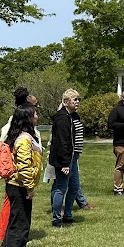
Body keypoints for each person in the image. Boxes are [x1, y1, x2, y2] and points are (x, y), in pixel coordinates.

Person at [0, 104, 42, 247]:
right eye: (35, 114)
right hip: (20, 186)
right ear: (28, 118)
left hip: (15, 185)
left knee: (15, 221)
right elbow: (24, 167)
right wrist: (30, 187)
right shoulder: (24, 139)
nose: (37, 116)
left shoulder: (20, 136)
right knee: (20, 224)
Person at [0, 87, 41, 242]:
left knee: (16, 212)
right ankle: (7, 239)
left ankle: (9, 240)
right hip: (17, 177)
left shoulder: (23, 126)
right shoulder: (19, 128)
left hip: (20, 176)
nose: (37, 112)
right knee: (13, 211)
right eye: (35, 107)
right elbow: (8, 148)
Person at [48, 89, 81, 227]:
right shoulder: (62, 118)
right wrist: (64, 163)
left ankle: (68, 215)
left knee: (74, 187)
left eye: (79, 99)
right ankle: (56, 218)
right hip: (63, 160)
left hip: (71, 158)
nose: (78, 102)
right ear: (66, 102)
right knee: (61, 188)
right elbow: (62, 143)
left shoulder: (70, 116)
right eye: (75, 100)